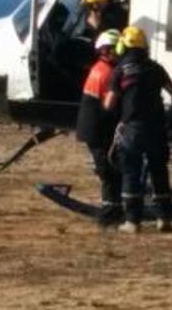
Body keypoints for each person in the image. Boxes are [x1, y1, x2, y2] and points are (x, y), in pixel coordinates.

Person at [103, 26, 172, 233]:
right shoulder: (156, 68)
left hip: (132, 129)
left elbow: (109, 104)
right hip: (156, 128)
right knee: (159, 171)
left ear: (122, 46)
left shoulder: (120, 71)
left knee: (131, 172)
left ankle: (132, 221)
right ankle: (164, 219)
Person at [75, 29, 123, 227]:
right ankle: (109, 213)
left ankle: (112, 209)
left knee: (109, 170)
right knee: (109, 171)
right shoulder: (108, 73)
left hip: (92, 129)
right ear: (106, 50)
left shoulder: (98, 69)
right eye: (118, 49)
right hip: (99, 130)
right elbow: (110, 106)